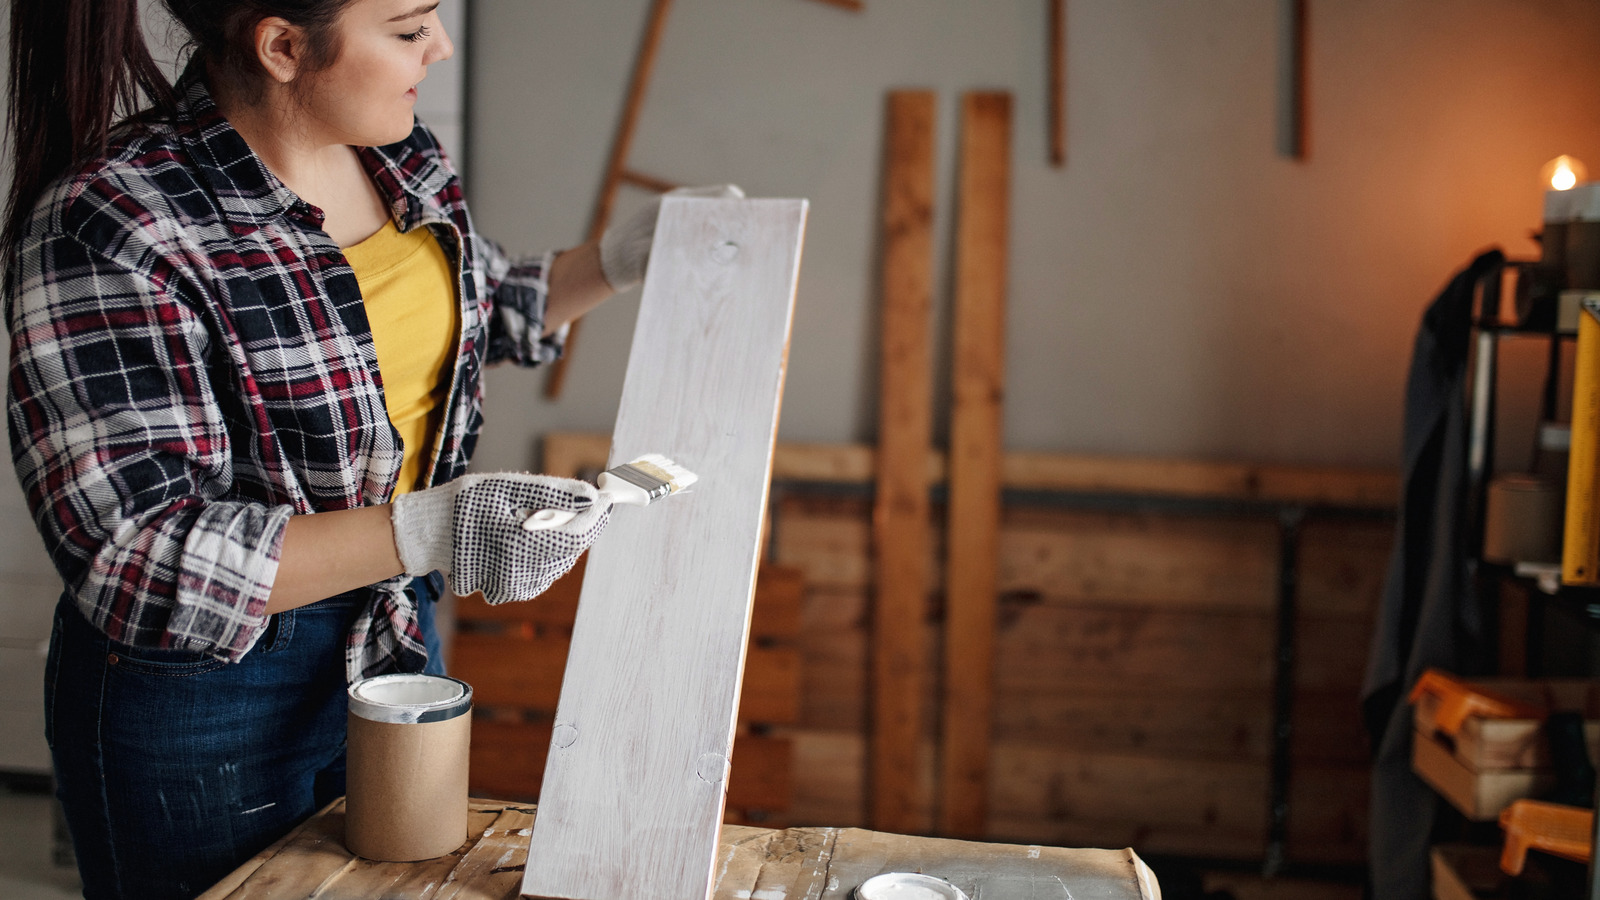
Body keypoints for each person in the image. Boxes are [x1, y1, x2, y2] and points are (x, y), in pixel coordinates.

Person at [3, 2, 730, 897]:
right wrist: (430, 529)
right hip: (209, 695)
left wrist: (612, 262)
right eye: (408, 28)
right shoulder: (112, 223)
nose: (442, 46)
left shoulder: (398, 151)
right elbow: (139, 558)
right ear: (282, 46)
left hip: (388, 629)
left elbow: (457, 313)